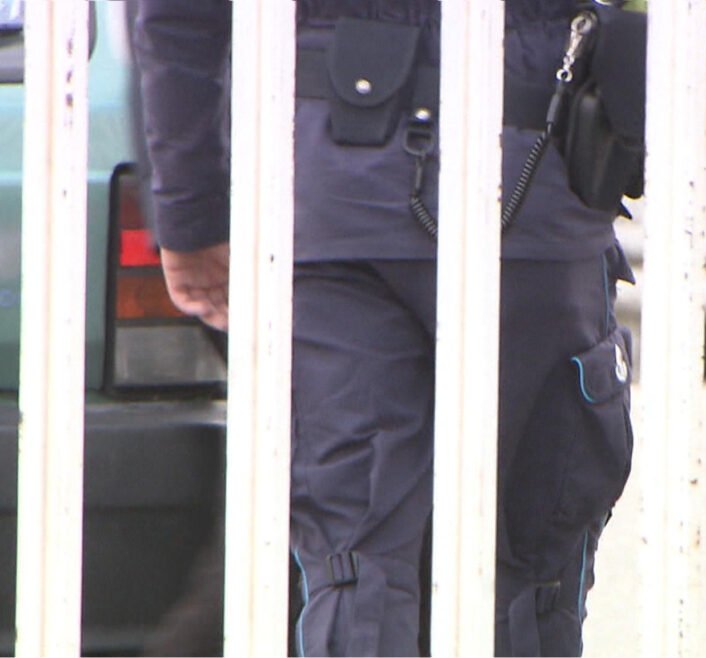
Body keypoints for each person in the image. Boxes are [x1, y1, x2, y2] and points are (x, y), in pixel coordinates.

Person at [133, 0, 643, 655]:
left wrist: (189, 214)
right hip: (531, 171)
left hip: (335, 192)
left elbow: (177, 18)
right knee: (529, 565)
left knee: (355, 559)